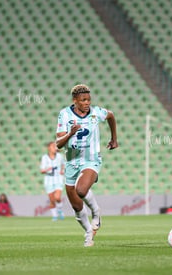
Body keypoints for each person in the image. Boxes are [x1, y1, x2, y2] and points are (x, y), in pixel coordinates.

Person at [56, 84, 118, 247]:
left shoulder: (96, 112)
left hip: (91, 160)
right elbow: (58, 144)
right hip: (71, 162)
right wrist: (71, 133)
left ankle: (96, 212)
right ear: (75, 100)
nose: (87, 103)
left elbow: (111, 116)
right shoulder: (64, 114)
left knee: (81, 190)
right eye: (83, 100)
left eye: (89, 99)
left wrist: (114, 138)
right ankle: (88, 233)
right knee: (76, 206)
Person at [40, 141, 65, 221]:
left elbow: (63, 164)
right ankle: (54, 216)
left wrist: (62, 170)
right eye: (53, 146)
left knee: (57, 197)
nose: (55, 148)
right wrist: (47, 169)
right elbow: (42, 170)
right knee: (52, 200)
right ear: (49, 148)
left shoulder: (60, 156)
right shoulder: (45, 157)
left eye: (55, 146)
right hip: (48, 179)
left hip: (58, 178)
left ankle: (60, 210)